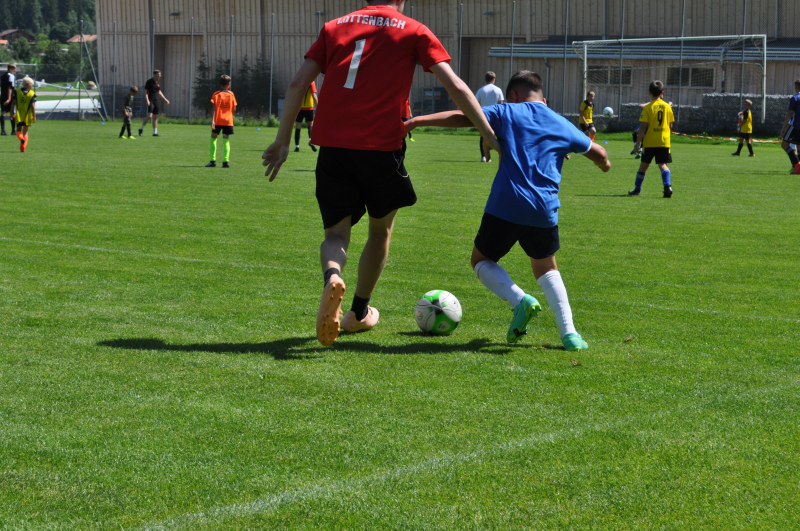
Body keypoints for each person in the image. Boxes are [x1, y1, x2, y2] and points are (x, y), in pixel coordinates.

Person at [261, 0, 501, 347]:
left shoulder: (334, 27)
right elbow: (457, 87)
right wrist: (488, 134)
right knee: (380, 231)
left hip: (334, 148)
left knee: (336, 235)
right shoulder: (415, 31)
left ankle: (332, 276)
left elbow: (298, 84)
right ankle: (358, 312)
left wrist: (283, 140)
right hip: (382, 149)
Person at [405, 71, 610, 351]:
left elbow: (464, 116)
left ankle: (520, 300)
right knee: (546, 267)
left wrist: (416, 121)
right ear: (543, 98)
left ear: (513, 95)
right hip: (544, 209)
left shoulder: (507, 111)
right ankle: (570, 334)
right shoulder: (560, 121)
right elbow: (599, 153)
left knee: (481, 261)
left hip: (507, 203)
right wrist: (604, 164)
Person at [628, 81, 674, 198]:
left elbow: (643, 127)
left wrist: (637, 145)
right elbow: (670, 125)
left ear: (649, 93)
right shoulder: (668, 107)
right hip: (663, 141)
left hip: (649, 142)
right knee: (662, 164)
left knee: (644, 165)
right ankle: (667, 186)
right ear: (662, 93)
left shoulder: (648, 108)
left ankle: (637, 189)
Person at [206, 75, 237, 168]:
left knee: (213, 138)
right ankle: (226, 162)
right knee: (226, 139)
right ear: (228, 84)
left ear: (219, 83)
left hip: (218, 120)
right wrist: (230, 115)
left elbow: (214, 108)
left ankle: (213, 161)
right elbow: (234, 108)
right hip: (228, 120)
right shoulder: (231, 94)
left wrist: (213, 121)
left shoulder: (216, 94)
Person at [475, 71, 504, 162]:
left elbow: (476, 103)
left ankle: (484, 156)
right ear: (494, 79)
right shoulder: (498, 90)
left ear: (485, 79)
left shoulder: (481, 90)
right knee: (498, 135)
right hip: (495, 115)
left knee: (483, 135)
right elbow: (501, 104)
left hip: (483, 115)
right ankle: (502, 155)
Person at [778, 79, 800, 174]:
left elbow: (790, 113)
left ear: (796, 87)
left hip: (796, 126)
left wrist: (783, 127)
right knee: (799, 146)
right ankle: (798, 169)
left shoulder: (795, 98)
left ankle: (797, 164)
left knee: (784, 144)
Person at [139, 70, 169, 137]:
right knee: (149, 116)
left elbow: (159, 92)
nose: (159, 76)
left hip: (156, 101)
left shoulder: (158, 83)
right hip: (150, 100)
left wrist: (165, 99)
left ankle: (155, 133)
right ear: (154, 75)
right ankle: (141, 129)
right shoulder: (149, 82)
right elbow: (146, 92)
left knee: (155, 117)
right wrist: (147, 100)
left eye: (160, 74)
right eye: (158, 74)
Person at [13, 76, 36, 153]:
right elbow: (33, 106)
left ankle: (21, 139)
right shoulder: (32, 93)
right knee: (25, 132)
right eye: (32, 84)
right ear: (29, 84)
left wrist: (12, 112)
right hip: (28, 115)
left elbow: (13, 103)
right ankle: (23, 148)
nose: (32, 86)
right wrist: (34, 116)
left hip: (19, 114)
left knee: (18, 130)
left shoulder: (17, 91)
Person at [295, 82, 318, 152]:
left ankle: (297, 147)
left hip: (299, 107)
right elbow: (314, 96)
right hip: (309, 108)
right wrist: (318, 107)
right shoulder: (311, 82)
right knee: (310, 125)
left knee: (298, 126)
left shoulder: (300, 81)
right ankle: (311, 141)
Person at [1, 63, 16, 136]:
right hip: (10, 97)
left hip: (3, 96)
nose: (15, 70)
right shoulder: (11, 76)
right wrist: (9, 98)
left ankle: (3, 131)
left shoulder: (2, 76)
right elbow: (10, 87)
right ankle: (13, 131)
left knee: (3, 113)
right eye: (13, 68)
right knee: (12, 113)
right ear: (10, 68)